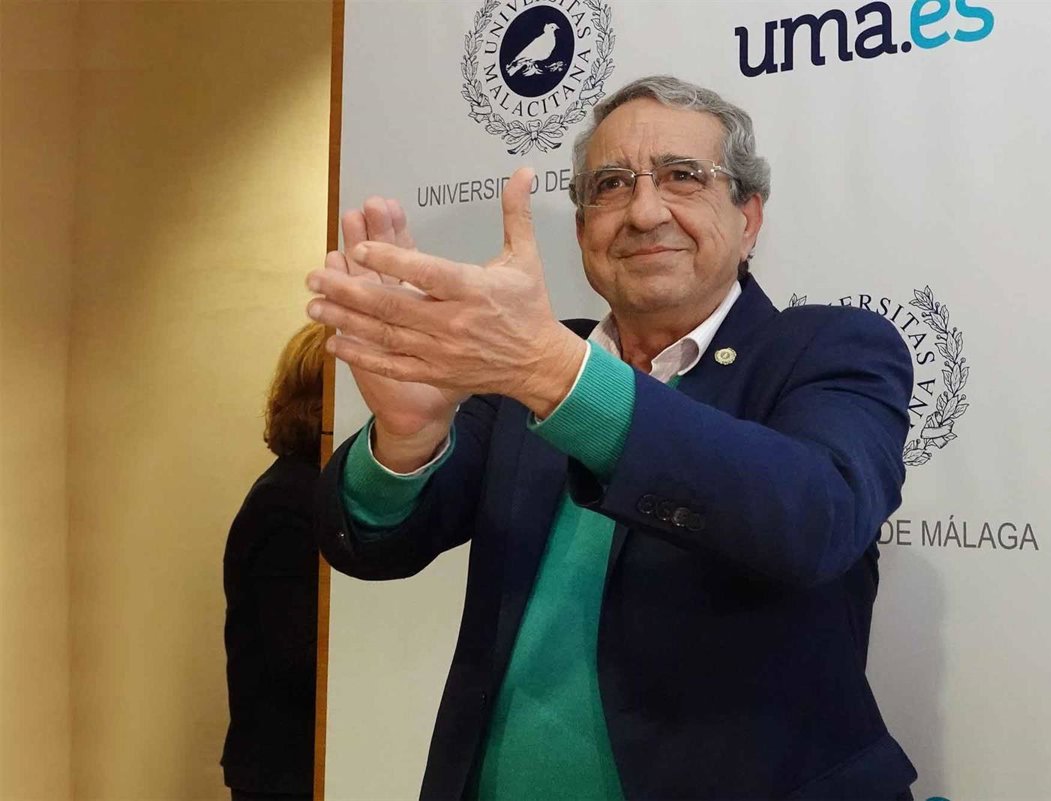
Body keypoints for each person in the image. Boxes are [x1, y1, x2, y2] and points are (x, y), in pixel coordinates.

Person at [305, 75, 917, 800]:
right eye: (611, 185)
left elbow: (816, 519)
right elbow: (377, 548)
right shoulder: (526, 367)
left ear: (749, 217)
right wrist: (407, 437)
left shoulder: (829, 349)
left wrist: (557, 375)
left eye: (683, 176)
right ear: (581, 230)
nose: (644, 211)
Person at [221, 321, 324, 801]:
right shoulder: (287, 499)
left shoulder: (305, 489)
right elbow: (297, 656)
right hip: (283, 772)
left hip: (296, 764)